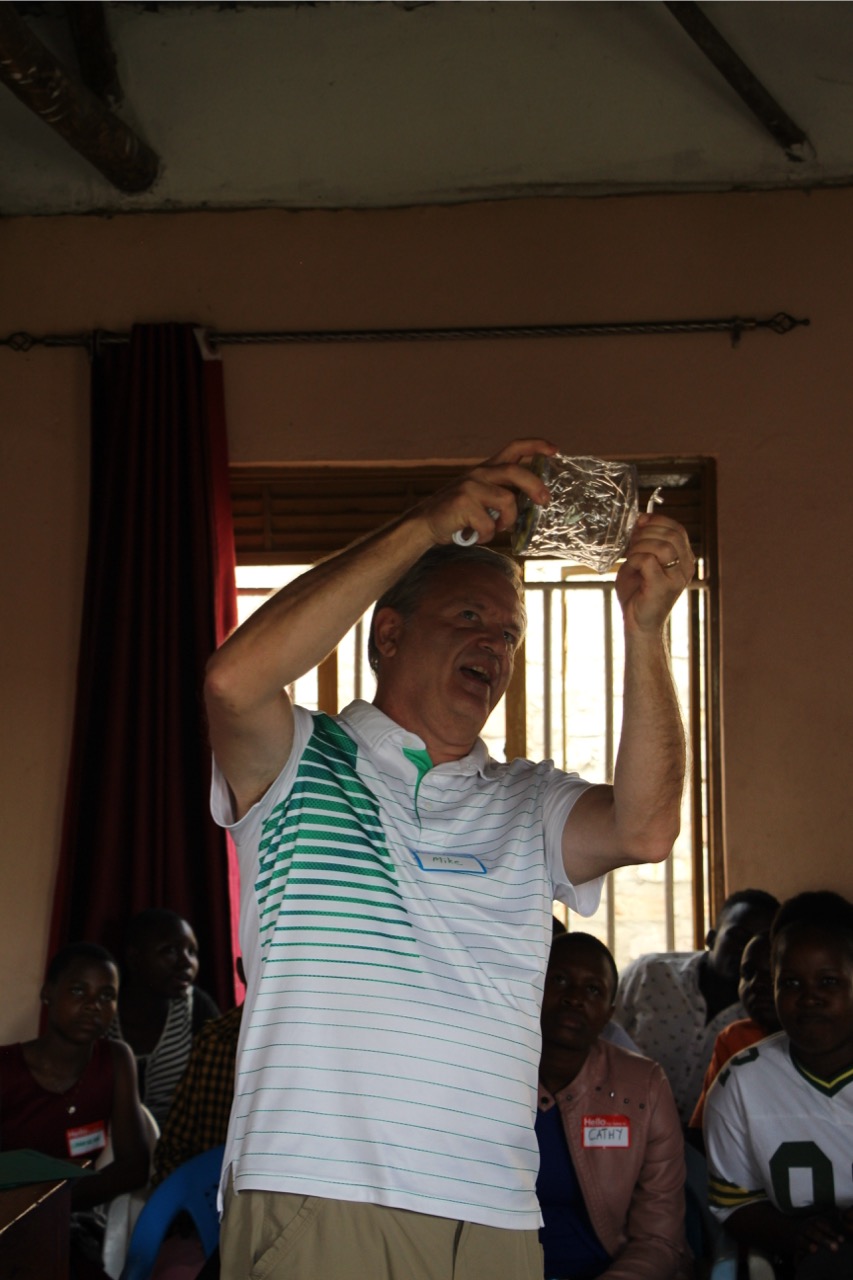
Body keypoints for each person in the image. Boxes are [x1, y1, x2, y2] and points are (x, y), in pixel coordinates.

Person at [203, 438, 695, 1280]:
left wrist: (645, 631)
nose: (494, 648)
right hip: (322, 1193)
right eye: (468, 619)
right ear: (386, 634)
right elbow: (232, 682)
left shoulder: (525, 797)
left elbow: (646, 829)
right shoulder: (297, 758)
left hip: (493, 1213)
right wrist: (427, 522)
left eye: (507, 633)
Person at [704, 891, 853, 1279]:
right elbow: (734, 1204)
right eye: (789, 982)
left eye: (828, 981)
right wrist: (796, 1234)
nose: (809, 998)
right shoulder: (741, 1082)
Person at [536, 931, 691, 1279]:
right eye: (559, 980)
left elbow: (658, 1237)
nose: (575, 998)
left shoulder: (644, 1087)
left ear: (609, 1013)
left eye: (593, 989)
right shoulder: (488, 1077)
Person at [0, 942, 150, 1279]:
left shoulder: (115, 1059)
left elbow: (135, 1167)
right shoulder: (6, 1068)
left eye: (106, 995)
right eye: (79, 990)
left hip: (72, 1222)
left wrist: (50, 1206)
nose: (92, 1005)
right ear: (48, 993)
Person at [612, 888, 779, 1123]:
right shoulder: (650, 973)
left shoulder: (765, 1014)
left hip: (701, 1146)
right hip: (617, 1121)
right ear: (711, 938)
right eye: (738, 936)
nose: (747, 949)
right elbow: (602, 1033)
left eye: (759, 940)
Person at [111, 908, 220, 1129]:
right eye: (169, 951)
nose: (186, 963)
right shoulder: (103, 1008)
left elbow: (219, 1090)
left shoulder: (196, 1007)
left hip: (178, 1149)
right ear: (134, 958)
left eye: (192, 951)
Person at [688, 930, 780, 1145]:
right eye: (747, 974)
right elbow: (703, 1131)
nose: (757, 985)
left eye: (774, 975)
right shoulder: (735, 1038)